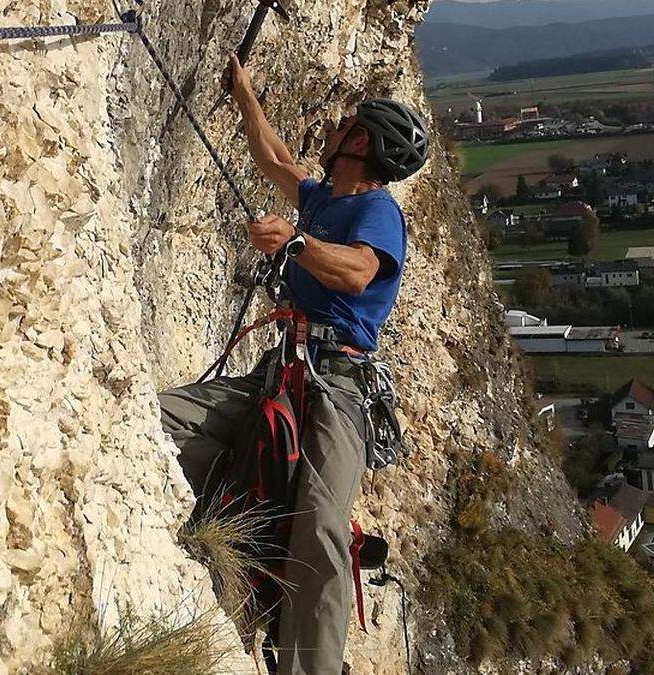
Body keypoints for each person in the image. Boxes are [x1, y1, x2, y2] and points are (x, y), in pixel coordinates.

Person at [158, 54, 429, 674]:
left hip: (338, 385)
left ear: (359, 142)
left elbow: (359, 272)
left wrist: (298, 244)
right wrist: (245, 94)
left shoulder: (377, 212)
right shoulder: (321, 198)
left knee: (323, 527)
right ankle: (200, 537)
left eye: (344, 125)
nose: (332, 128)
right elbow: (276, 158)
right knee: (164, 420)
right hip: (282, 369)